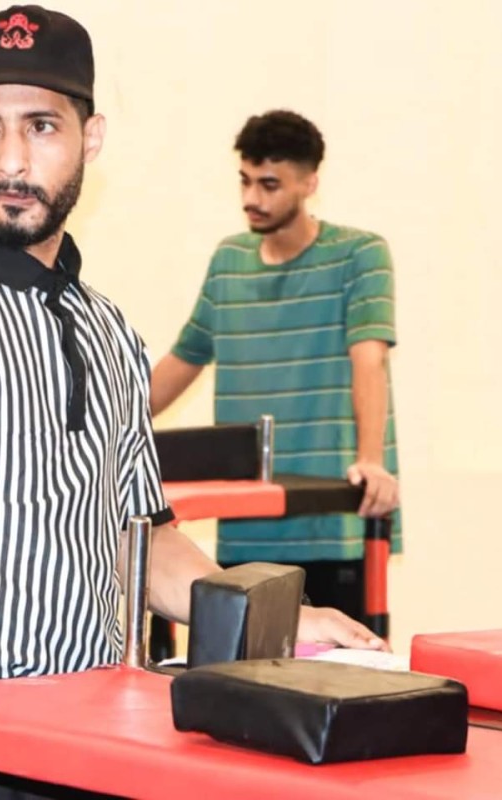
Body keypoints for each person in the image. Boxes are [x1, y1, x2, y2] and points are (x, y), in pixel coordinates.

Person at [0, 10, 386, 799]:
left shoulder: (108, 330)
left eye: (42, 126)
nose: (11, 158)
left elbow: (144, 546)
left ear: (90, 139)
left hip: (83, 749)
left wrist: (272, 624)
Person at [150, 110, 401, 620]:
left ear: (309, 183)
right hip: (246, 522)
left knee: (334, 673)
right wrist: (102, 431)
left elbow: (369, 357)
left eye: (269, 184)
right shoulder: (229, 261)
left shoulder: (360, 254)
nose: (251, 199)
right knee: (241, 677)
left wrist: (371, 461)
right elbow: (183, 360)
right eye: (244, 181)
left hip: (331, 520)